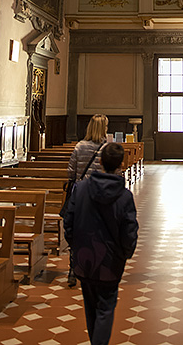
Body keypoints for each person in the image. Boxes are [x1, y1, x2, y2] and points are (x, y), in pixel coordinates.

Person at [64, 142, 138, 345]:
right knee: (105, 307)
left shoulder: (80, 189)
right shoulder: (124, 196)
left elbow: (68, 222)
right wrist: (124, 254)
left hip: (84, 259)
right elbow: (129, 231)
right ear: (120, 164)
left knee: (90, 304)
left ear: (100, 162)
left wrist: (77, 246)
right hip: (110, 262)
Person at [65, 113, 109, 285]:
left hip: (80, 195)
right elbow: (112, 172)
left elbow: (70, 172)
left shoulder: (79, 146)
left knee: (77, 231)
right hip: (99, 195)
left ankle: (73, 269)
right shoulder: (107, 148)